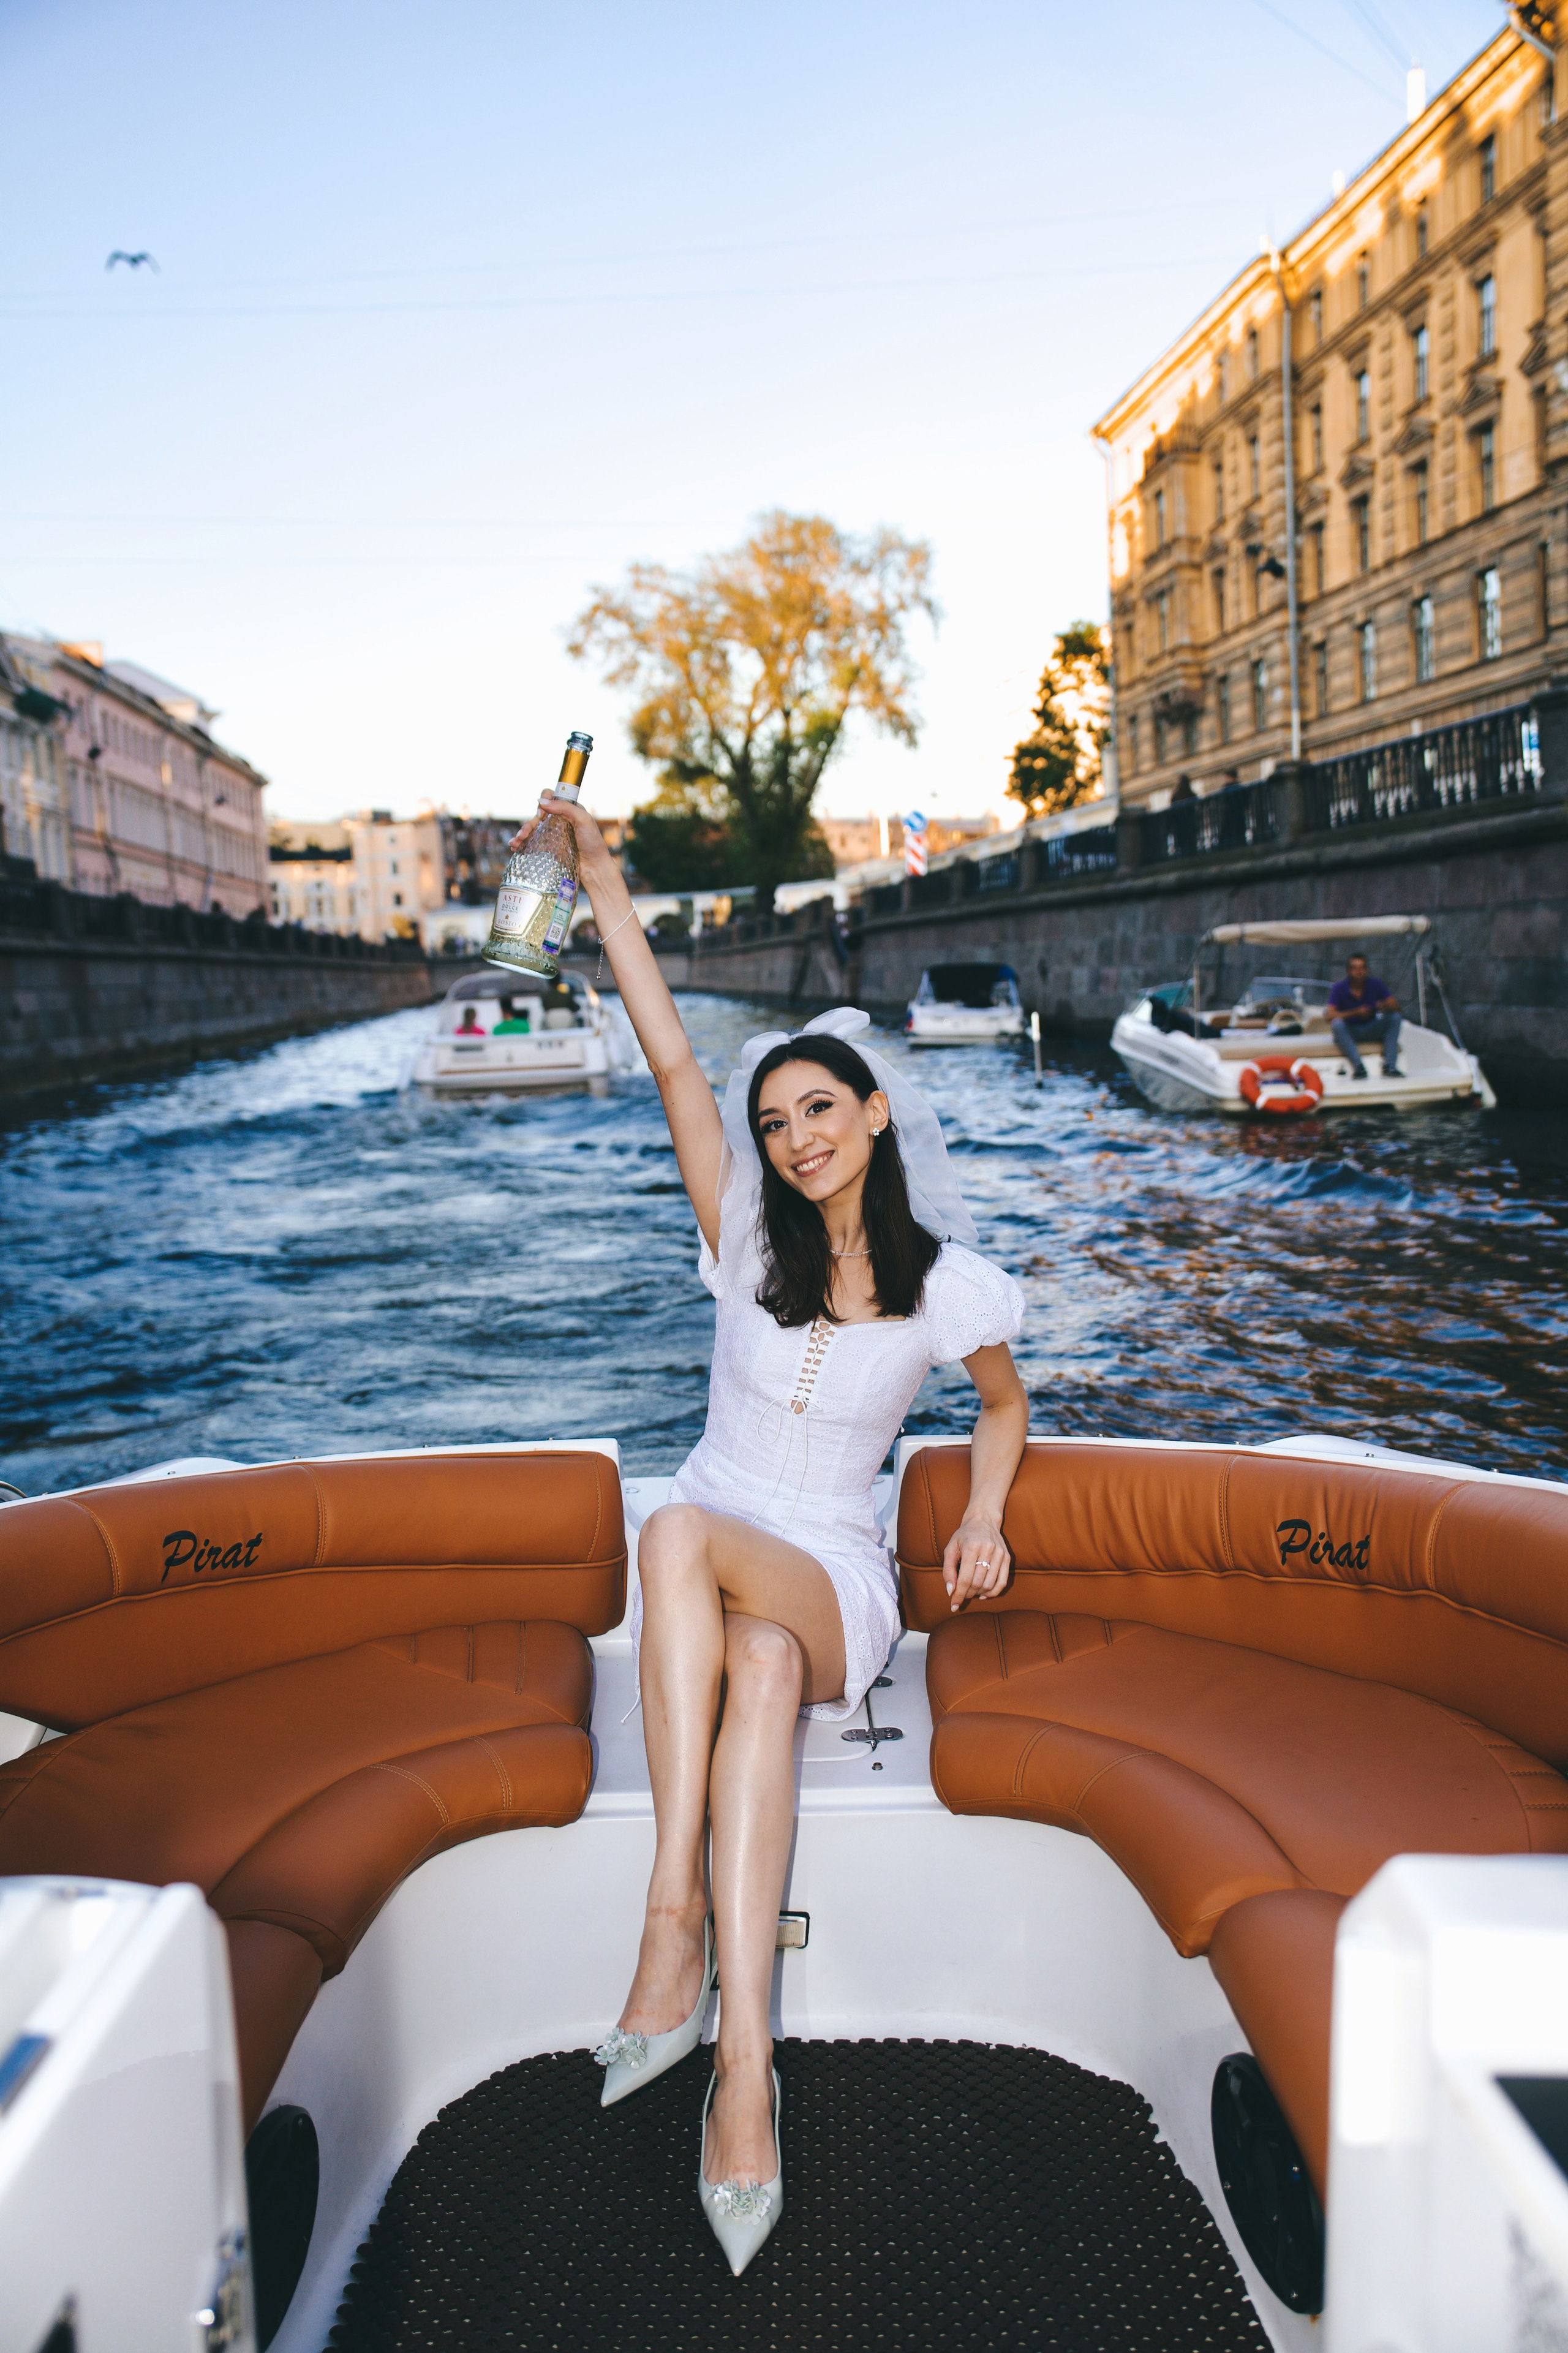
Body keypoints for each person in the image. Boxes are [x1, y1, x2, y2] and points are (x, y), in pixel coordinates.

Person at [507, 788, 1028, 2275]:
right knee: (714, 1612)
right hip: (730, 1575)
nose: (793, 1137)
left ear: (872, 1110)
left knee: (673, 1538)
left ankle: (666, 1910)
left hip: (831, 1570)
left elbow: (1001, 1409)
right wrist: (599, 872)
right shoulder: (741, 1237)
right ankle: (743, 2068)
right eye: (773, 1121)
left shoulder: (950, 1285)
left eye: (818, 1108)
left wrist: (980, 1519)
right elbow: (669, 1047)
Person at [1327, 953, 1402, 1078]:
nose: (1359, 972)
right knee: (1337, 1024)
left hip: (1371, 1028)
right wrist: (1356, 1012)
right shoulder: (1339, 988)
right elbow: (1329, 1016)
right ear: (1348, 971)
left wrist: (1384, 1006)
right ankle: (1359, 1067)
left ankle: (1390, 1066)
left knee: (1394, 1018)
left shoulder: (1376, 984)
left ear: (1366, 970)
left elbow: (1397, 1008)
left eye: (1361, 968)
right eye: (1354, 968)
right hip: (1350, 1032)